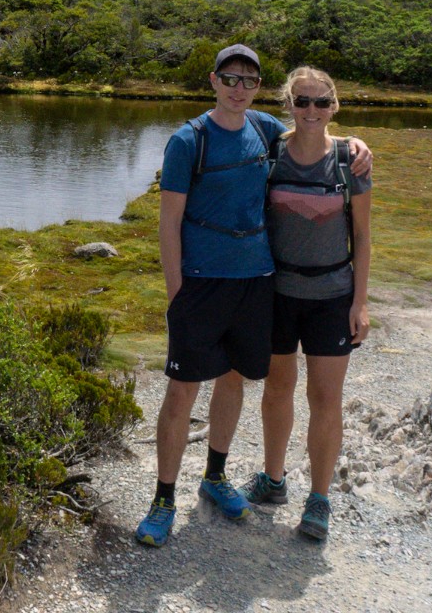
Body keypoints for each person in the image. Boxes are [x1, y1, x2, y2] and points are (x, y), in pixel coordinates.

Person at [135, 46, 370, 548]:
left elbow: (319, 135)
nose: (238, 88)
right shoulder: (187, 141)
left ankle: (216, 477)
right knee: (181, 393)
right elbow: (169, 221)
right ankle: (163, 500)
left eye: (249, 80)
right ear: (214, 80)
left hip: (258, 282)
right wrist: (176, 291)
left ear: (259, 88)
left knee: (235, 380)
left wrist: (355, 144)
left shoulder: (265, 130)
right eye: (230, 78)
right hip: (203, 283)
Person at [239, 66, 372, 544]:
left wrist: (360, 302)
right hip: (277, 294)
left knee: (325, 397)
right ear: (288, 104)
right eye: (302, 101)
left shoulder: (349, 160)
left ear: (334, 106)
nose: (311, 110)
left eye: (320, 102)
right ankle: (273, 481)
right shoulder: (271, 152)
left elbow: (362, 235)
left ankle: (319, 500)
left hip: (331, 297)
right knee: (277, 390)